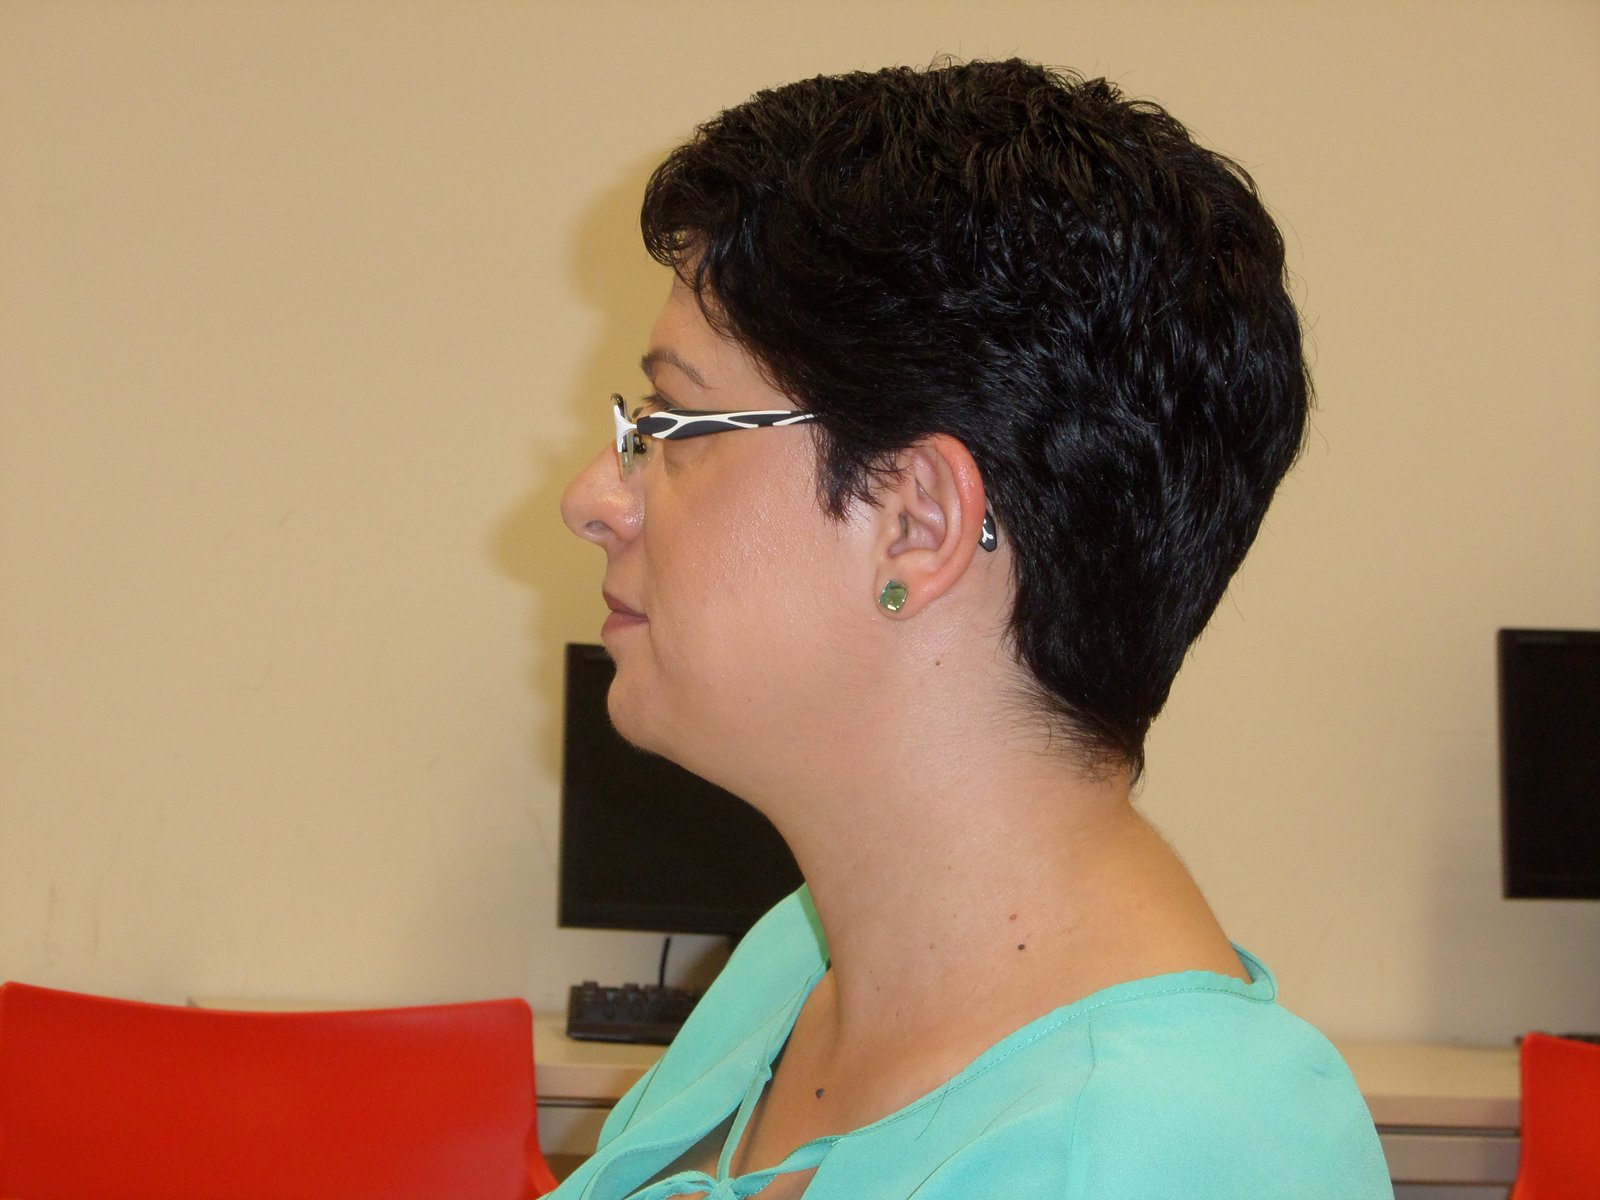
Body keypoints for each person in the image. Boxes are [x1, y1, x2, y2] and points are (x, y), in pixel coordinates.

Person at [557, 58, 1392, 1200]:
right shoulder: (804, 964)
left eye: (675, 423)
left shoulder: (1143, 1159)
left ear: (918, 521)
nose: (594, 498)